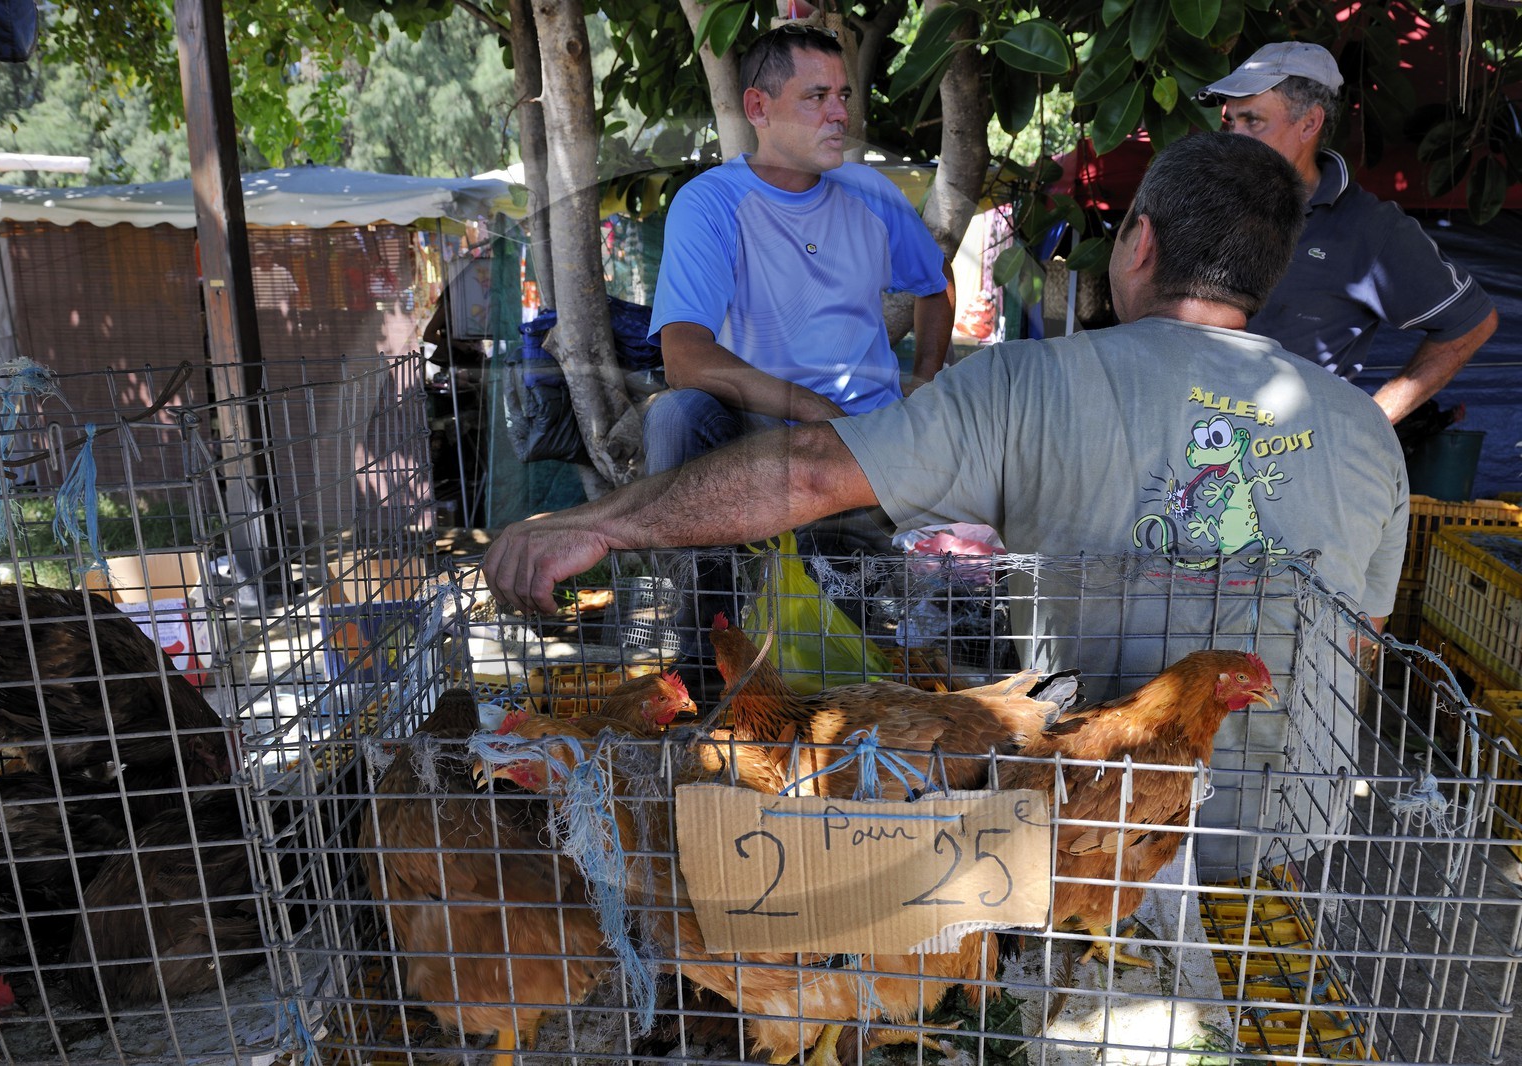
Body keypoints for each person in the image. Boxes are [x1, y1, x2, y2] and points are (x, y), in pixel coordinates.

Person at [486, 133, 1410, 875]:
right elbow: (1358, 638)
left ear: (1141, 242)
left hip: (1083, 838)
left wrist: (597, 522)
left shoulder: (1031, 384)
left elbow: (807, 474)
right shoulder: (1368, 431)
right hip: (1281, 840)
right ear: (1267, 274)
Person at [642, 22, 954, 474]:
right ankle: (679, 547)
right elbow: (684, 359)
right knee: (674, 415)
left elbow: (936, 279)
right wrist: (811, 408)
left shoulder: (871, 193)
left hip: (869, 439)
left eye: (843, 96)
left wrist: (924, 381)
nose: (840, 114)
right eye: (816, 97)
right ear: (758, 108)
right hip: (762, 437)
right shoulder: (710, 203)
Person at [1199, 41, 1498, 425]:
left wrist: (1369, 422)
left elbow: (1472, 321)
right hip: (1188, 447)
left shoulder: (1368, 227)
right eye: (1230, 121)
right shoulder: (1198, 202)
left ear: (1309, 123)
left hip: (1293, 460)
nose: (1234, 137)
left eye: (1252, 121)